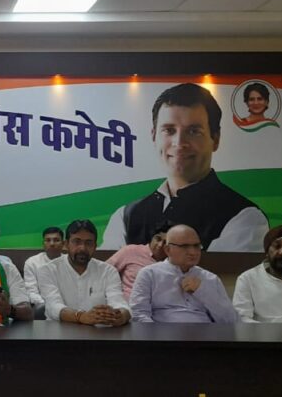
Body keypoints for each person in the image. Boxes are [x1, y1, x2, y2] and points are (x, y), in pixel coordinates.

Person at [102, 83, 269, 252]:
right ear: (154, 136)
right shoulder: (125, 216)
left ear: (216, 139)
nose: (179, 143)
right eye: (169, 130)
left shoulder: (245, 218)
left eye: (194, 131)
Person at [130, 224, 236, 323]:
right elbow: (138, 314)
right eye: (185, 246)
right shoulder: (149, 274)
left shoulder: (210, 278)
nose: (193, 252)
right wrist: (155, 336)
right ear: (168, 250)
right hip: (162, 333)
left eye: (196, 246)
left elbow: (230, 320)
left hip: (204, 334)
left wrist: (202, 290)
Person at [38, 220, 130, 326]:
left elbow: (119, 302)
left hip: (99, 333)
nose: (82, 248)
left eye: (88, 243)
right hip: (59, 332)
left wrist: (120, 316)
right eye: (77, 242)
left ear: (95, 246)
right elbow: (53, 306)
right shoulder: (48, 270)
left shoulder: (108, 271)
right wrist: (81, 316)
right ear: (66, 244)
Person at [106, 231, 168, 300]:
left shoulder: (174, 262)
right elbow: (104, 272)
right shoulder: (131, 251)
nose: (160, 245)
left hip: (159, 304)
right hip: (127, 302)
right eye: (158, 239)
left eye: (165, 242)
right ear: (152, 238)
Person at [23, 226, 64, 318]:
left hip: (67, 308)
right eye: (48, 240)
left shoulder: (70, 262)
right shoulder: (32, 262)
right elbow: (31, 292)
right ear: (43, 244)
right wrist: (50, 306)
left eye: (56, 240)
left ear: (63, 243)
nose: (52, 244)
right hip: (43, 308)